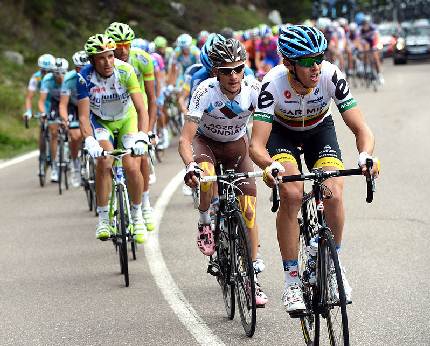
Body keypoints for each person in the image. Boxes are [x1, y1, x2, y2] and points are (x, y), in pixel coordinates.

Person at [249, 25, 379, 314]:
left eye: (319, 58)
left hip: (320, 131)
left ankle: (334, 266)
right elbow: (256, 145)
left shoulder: (331, 75)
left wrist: (365, 155)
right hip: (281, 135)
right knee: (293, 194)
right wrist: (269, 166)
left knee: (332, 192)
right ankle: (291, 281)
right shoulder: (272, 84)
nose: (315, 67)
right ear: (288, 64)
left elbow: (361, 127)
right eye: (307, 62)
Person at [179, 38, 268, 307]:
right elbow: (185, 139)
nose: (233, 75)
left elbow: (268, 130)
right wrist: (189, 166)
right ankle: (205, 221)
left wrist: (271, 161)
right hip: (206, 144)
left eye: (238, 68)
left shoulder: (255, 89)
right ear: (215, 72)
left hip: (237, 147)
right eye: (226, 70)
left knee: (249, 210)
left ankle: (252, 276)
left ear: (245, 68)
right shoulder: (204, 91)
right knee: (206, 175)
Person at [77, 33, 149, 243]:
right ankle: (103, 219)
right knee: (104, 160)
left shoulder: (125, 71)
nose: (107, 62)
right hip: (101, 122)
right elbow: (83, 115)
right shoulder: (84, 77)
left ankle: (137, 217)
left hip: (127, 119)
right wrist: (89, 140)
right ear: (92, 60)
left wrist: (142, 136)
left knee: (132, 165)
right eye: (101, 58)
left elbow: (141, 109)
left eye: (110, 56)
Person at [105, 22, 157, 232]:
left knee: (141, 155)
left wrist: (148, 130)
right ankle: (113, 196)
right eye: (118, 45)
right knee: (107, 158)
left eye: (127, 44)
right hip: (111, 113)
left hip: (137, 111)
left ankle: (144, 203)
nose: (123, 50)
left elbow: (152, 99)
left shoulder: (143, 59)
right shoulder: (102, 64)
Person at [59, 50, 89, 187]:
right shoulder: (69, 79)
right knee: (76, 136)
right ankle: (76, 165)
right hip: (74, 108)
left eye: (83, 68)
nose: (80, 71)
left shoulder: (95, 75)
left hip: (91, 107)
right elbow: (63, 105)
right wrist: (65, 120)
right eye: (78, 68)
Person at [38, 57, 69, 182]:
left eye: (62, 73)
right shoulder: (47, 80)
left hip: (68, 103)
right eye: (56, 73)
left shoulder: (70, 79)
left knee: (74, 128)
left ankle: (69, 150)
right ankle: (55, 166)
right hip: (54, 105)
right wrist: (43, 113)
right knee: (54, 132)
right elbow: (41, 101)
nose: (60, 76)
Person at [23, 53, 55, 122]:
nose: (46, 74)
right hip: (44, 103)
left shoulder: (58, 76)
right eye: (43, 71)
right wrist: (28, 111)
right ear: (40, 68)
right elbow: (29, 97)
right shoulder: (36, 77)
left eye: (49, 71)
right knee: (44, 123)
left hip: (56, 101)